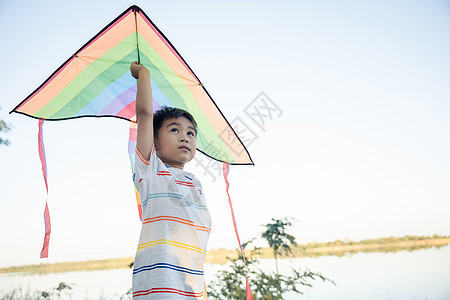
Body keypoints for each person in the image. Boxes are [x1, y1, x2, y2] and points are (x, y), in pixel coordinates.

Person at [130, 61, 212, 299]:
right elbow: (144, 115)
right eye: (174, 130)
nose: (184, 137)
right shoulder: (151, 170)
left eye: (190, 133)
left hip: (191, 284)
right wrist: (143, 75)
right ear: (154, 141)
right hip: (160, 285)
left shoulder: (195, 181)